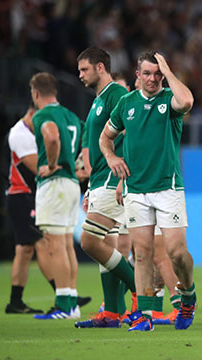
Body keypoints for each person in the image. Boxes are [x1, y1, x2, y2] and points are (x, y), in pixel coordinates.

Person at [100, 51, 197, 332]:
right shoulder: (125, 103)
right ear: (137, 75)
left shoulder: (170, 99)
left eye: (158, 74)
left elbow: (188, 100)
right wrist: (111, 158)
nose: (153, 78)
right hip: (136, 189)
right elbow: (106, 137)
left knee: (176, 253)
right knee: (141, 254)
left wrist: (168, 70)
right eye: (147, 73)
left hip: (168, 187)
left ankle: (188, 294)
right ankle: (144, 316)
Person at [72, 46, 137, 328]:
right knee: (107, 248)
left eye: (84, 69)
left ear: (100, 67)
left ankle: (140, 289)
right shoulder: (99, 99)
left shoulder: (118, 96)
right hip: (99, 180)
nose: (80, 75)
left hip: (114, 178)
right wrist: (89, 185)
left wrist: (124, 179)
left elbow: (133, 137)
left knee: (89, 241)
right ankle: (112, 311)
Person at [27, 72, 84, 320]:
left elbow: (51, 137)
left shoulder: (43, 115)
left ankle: (63, 305)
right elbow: (86, 141)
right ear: (56, 92)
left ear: (35, 93)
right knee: (67, 244)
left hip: (54, 184)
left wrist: (51, 165)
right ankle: (72, 301)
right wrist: (81, 167)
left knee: (55, 245)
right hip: (72, 184)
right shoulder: (70, 116)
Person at [3, 104, 53, 314]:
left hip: (22, 196)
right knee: (41, 242)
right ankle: (64, 294)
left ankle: (15, 302)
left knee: (24, 250)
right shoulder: (19, 133)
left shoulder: (28, 132)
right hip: (21, 196)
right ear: (31, 113)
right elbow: (36, 168)